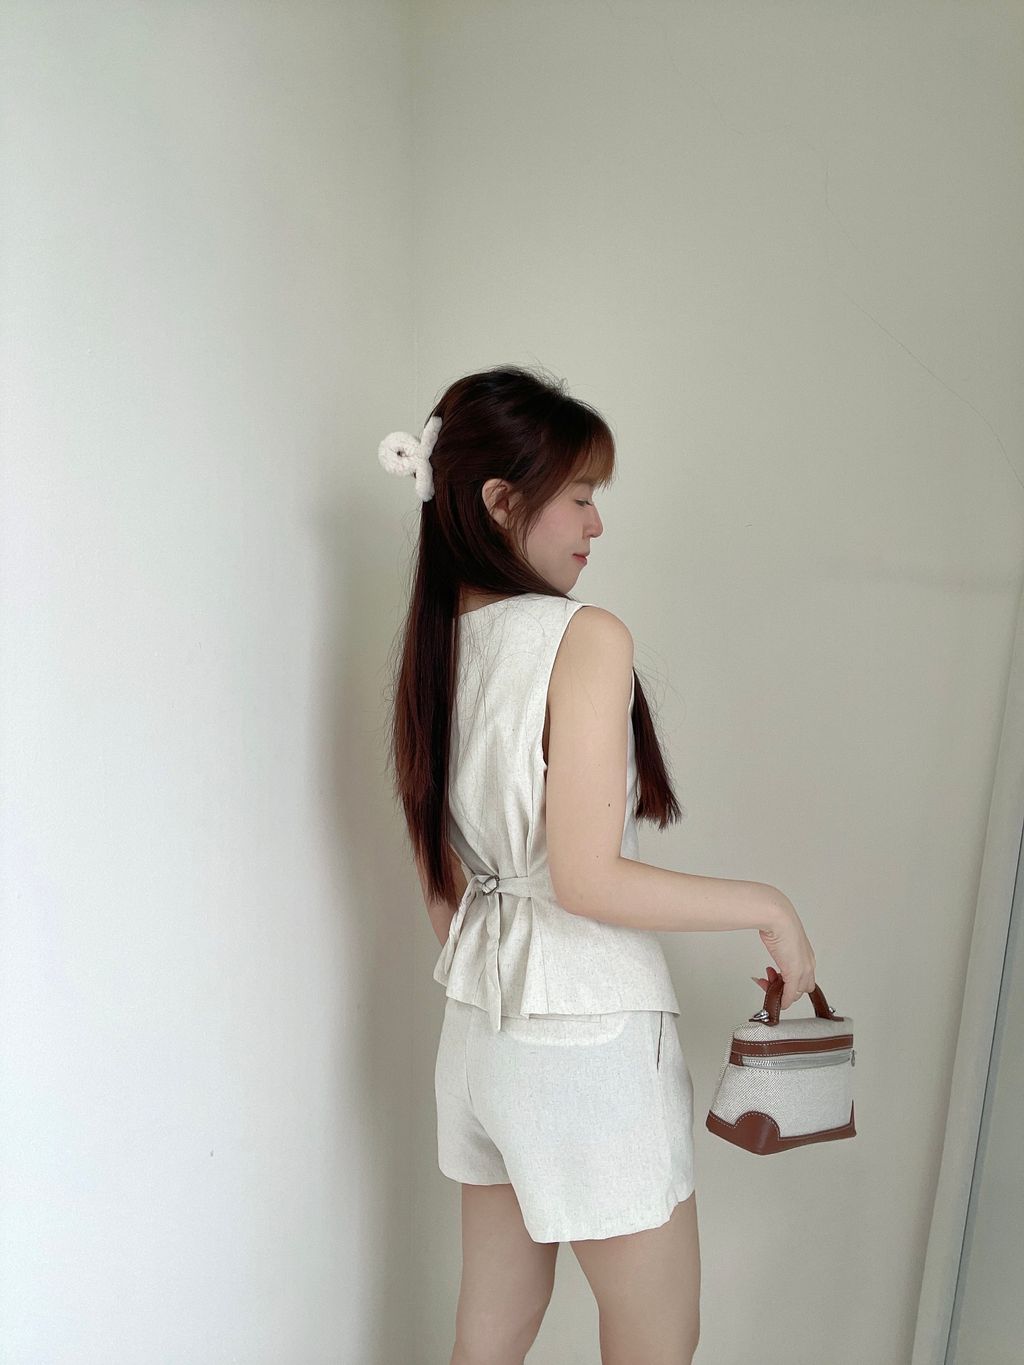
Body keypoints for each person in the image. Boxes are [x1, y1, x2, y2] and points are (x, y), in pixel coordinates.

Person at [379, 364, 817, 1365]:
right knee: (657, 1338)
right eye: (578, 496)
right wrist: (769, 905)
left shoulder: (439, 646)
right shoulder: (581, 637)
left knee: (488, 1335)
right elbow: (586, 880)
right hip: (588, 1031)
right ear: (501, 502)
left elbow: (448, 895)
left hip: (479, 1038)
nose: (596, 523)